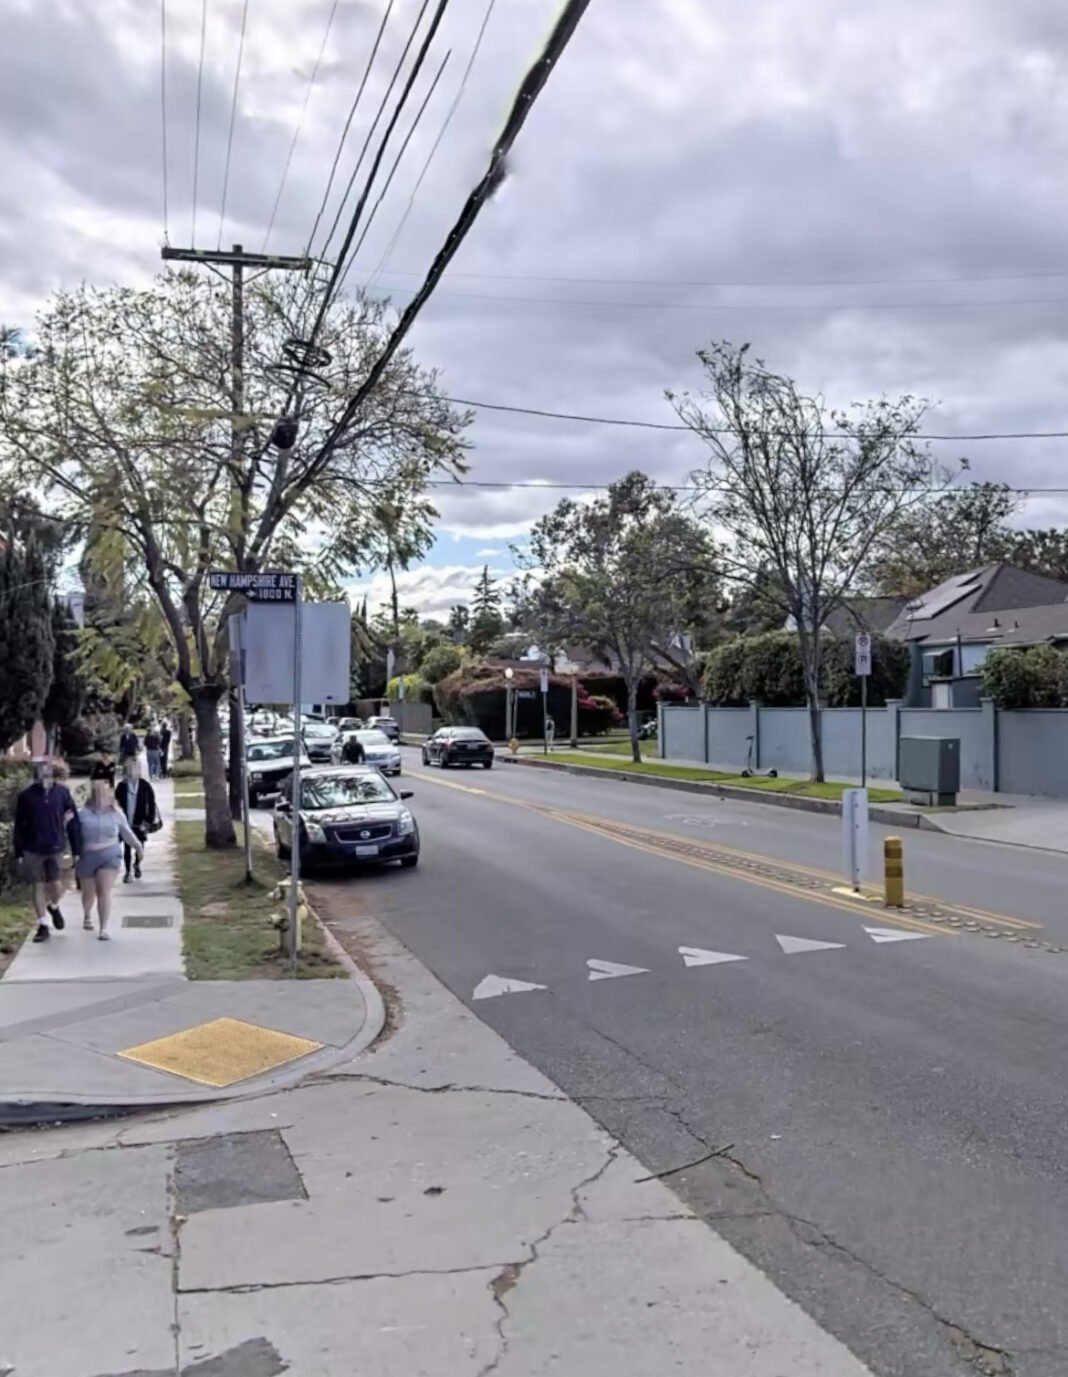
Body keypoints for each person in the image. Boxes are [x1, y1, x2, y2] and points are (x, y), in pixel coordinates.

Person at [13, 759, 80, 944]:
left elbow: (72, 820)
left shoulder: (62, 794)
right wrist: (18, 850)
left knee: (56, 884)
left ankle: (54, 906)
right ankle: (43, 925)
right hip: (32, 847)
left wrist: (76, 848)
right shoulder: (26, 796)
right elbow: (19, 824)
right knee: (37, 885)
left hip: (55, 846)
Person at [74, 778, 142, 940]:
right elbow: (71, 835)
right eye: (97, 793)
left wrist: (138, 847)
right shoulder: (81, 814)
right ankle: (87, 915)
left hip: (109, 855)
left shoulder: (117, 814)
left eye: (104, 793)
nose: (101, 797)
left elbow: (127, 833)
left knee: (103, 891)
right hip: (87, 856)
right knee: (89, 892)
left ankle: (103, 928)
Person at [114, 758, 159, 883]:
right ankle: (128, 872)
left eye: (136, 769)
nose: (133, 773)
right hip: (126, 822)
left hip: (140, 823)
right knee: (127, 847)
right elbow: (115, 804)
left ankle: (137, 864)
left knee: (140, 846)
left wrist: (148, 822)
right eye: (131, 770)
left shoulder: (145, 786)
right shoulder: (122, 786)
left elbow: (151, 805)